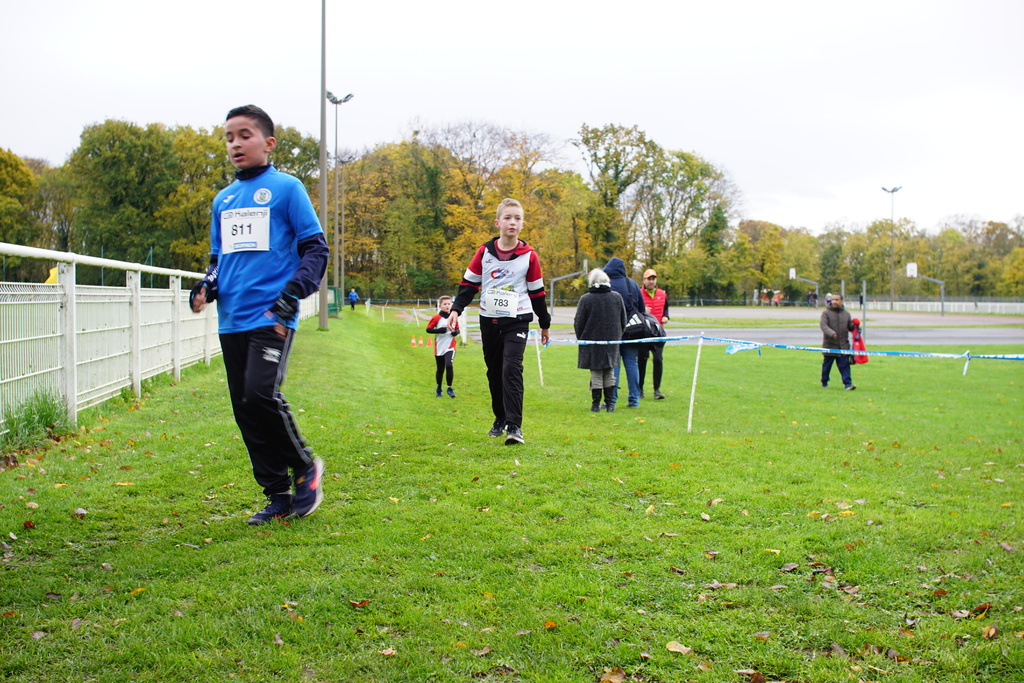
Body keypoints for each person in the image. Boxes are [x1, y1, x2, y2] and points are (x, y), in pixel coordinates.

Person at [190, 104, 328, 525]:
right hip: (232, 319)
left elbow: (315, 249)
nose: (235, 144)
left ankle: (305, 467)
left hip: (272, 315)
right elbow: (218, 261)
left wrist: (293, 294)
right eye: (229, 137)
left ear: (268, 143)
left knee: (260, 393)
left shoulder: (287, 189)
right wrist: (207, 285)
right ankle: (277, 495)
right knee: (244, 407)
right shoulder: (223, 200)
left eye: (244, 135)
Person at [448, 198, 551, 445]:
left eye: (517, 218)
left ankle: (515, 427)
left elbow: (537, 293)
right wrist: (455, 310)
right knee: (494, 372)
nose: (512, 222)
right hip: (490, 321)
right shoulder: (484, 252)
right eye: (507, 218)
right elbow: (468, 285)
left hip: (518, 320)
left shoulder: (529, 256)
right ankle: (500, 418)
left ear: (522, 224)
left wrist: (544, 323)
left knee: (511, 369)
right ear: (498, 223)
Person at [574, 269, 626, 412]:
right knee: (609, 372)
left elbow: (578, 323)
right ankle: (610, 405)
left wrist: (583, 339)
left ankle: (595, 405)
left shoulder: (586, 299)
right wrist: (617, 336)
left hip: (592, 342)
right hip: (612, 341)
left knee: (596, 372)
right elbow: (623, 321)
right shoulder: (617, 297)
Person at [602, 257, 645, 408]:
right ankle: (634, 399)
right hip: (632, 330)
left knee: (614, 365)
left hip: (612, 330)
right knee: (632, 363)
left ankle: (611, 400)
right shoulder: (632, 284)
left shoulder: (607, 284)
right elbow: (642, 309)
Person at [638, 268, 669, 400]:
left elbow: (666, 308)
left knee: (658, 360)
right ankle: (640, 389)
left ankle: (657, 390)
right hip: (643, 333)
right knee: (642, 361)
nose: (651, 281)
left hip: (658, 333)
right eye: (649, 279)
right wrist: (642, 310)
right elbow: (632, 310)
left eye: (653, 279)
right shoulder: (638, 294)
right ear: (644, 280)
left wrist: (666, 316)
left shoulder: (662, 294)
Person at [819, 293, 856, 390]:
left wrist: (854, 325)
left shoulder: (846, 314)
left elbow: (850, 327)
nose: (834, 301)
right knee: (827, 366)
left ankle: (848, 384)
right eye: (833, 299)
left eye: (836, 300)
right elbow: (823, 325)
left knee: (845, 366)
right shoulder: (826, 313)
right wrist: (832, 333)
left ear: (841, 301)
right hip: (830, 345)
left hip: (843, 346)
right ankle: (824, 381)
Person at [426, 295, 458, 398]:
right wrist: (439, 330)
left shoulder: (453, 317)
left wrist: (455, 332)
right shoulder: (436, 317)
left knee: (449, 365)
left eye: (449, 304)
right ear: (440, 306)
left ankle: (449, 388)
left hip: (450, 346)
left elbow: (457, 329)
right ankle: (439, 388)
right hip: (439, 347)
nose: (447, 306)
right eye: (445, 304)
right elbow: (428, 329)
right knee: (440, 369)